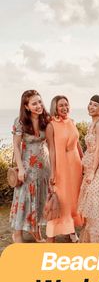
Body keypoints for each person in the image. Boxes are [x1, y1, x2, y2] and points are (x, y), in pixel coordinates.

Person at [10, 90, 50, 243]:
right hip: (27, 166)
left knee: (41, 198)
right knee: (23, 199)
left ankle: (36, 231)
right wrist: (20, 168)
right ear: (26, 106)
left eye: (40, 102)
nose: (39, 106)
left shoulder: (45, 119)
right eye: (34, 103)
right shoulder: (19, 122)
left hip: (44, 166)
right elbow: (16, 146)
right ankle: (17, 234)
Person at [46, 95, 83, 242]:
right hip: (61, 166)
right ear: (55, 107)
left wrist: (84, 160)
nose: (64, 108)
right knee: (61, 199)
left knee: (74, 199)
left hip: (75, 165)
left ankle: (71, 230)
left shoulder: (72, 122)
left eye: (66, 105)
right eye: (61, 105)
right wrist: (53, 172)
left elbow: (78, 143)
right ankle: (52, 234)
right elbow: (52, 150)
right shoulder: (51, 125)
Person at [78, 95, 99, 242]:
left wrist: (92, 172)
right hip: (90, 168)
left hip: (97, 169)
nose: (91, 107)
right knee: (91, 206)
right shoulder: (93, 123)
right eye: (90, 104)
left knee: (97, 206)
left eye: (95, 105)